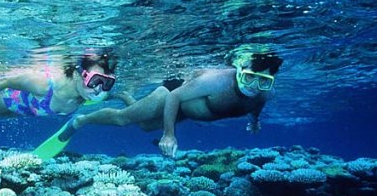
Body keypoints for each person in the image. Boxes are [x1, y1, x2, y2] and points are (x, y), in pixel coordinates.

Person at [53, 46, 282, 158]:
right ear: (240, 69)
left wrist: (255, 121)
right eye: (249, 77)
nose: (253, 85)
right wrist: (169, 134)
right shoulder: (217, 81)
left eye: (263, 81)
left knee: (143, 126)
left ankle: (124, 96)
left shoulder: (265, 94)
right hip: (172, 95)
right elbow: (175, 96)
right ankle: (80, 120)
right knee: (124, 119)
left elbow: (256, 104)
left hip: (185, 111)